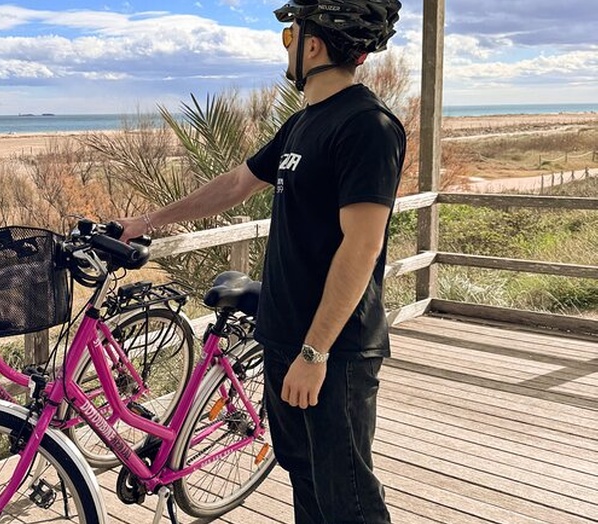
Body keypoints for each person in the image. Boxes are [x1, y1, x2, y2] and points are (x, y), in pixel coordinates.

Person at [118, 1, 404, 522]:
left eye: (288, 37)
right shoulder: (302, 125)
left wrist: (314, 354)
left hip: (333, 354)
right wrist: (145, 222)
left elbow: (361, 247)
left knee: (349, 500)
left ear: (312, 45)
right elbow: (234, 184)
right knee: (306, 481)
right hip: (281, 336)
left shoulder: (368, 127)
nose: (288, 47)